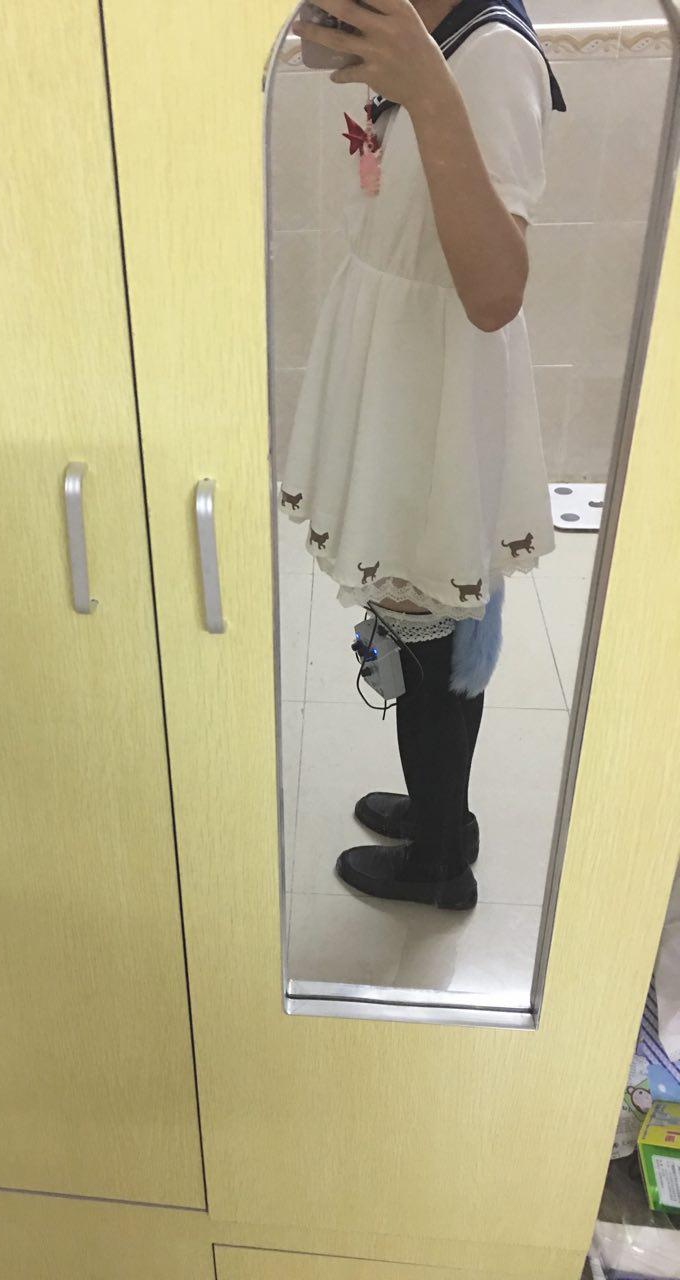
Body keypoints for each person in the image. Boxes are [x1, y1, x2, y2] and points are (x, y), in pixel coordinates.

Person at [282, 0, 564, 910]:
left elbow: (495, 292)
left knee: (427, 633)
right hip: (400, 369)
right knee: (422, 627)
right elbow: (313, 54)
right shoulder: (426, 30)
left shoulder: (493, 55)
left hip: (431, 390)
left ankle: (440, 863)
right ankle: (446, 814)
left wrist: (430, 90)